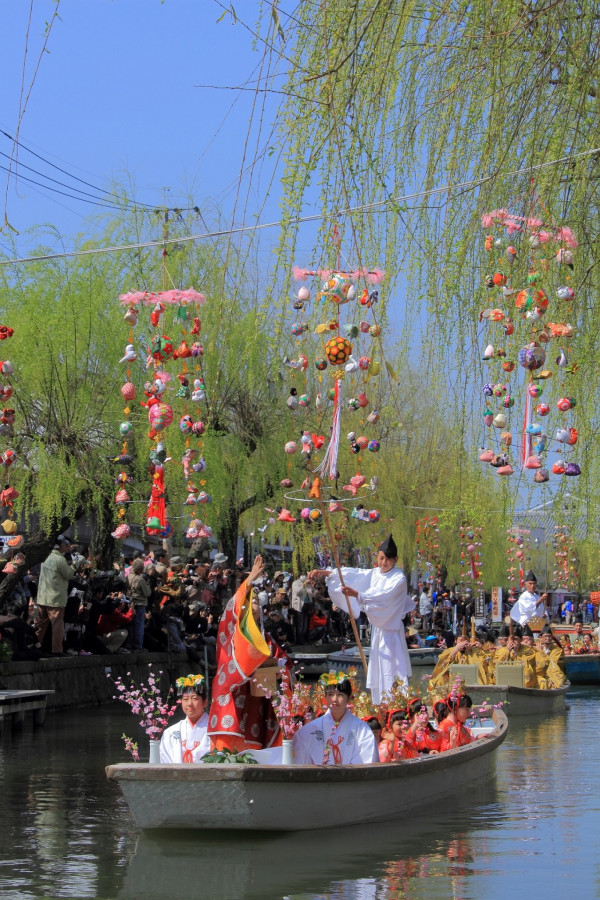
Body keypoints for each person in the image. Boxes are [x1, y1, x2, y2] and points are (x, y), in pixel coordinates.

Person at [309, 534, 415, 703]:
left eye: (387, 559)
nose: (383, 562)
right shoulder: (375, 573)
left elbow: (383, 597)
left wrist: (357, 595)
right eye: (381, 558)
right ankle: (380, 702)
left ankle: (397, 702)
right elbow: (355, 575)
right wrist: (325, 572)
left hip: (392, 631)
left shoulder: (398, 579)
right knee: (379, 668)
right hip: (378, 631)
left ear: (395, 559)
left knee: (392, 667)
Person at [208, 554, 282, 752]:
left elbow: (285, 665)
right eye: (249, 601)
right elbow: (231, 611)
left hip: (256, 700)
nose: (252, 605)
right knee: (227, 747)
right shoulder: (232, 633)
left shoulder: (267, 640)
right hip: (233, 692)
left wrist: (280, 674)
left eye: (256, 601)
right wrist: (247, 582)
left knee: (255, 745)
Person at [292, 672, 379, 765]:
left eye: (340, 695)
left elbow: (367, 758)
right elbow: (301, 759)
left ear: (349, 697)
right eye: (330, 694)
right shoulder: (310, 729)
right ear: (325, 696)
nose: (334, 699)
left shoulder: (362, 729)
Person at [35, 537, 76, 655]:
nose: (67, 547)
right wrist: (74, 566)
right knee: (57, 625)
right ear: (61, 545)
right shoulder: (60, 559)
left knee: (41, 625)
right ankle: (57, 650)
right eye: (66, 545)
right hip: (55, 598)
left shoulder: (45, 557)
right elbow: (68, 575)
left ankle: (34, 645)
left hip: (43, 597)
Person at [159, 674, 210, 763]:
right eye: (185, 699)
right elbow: (166, 762)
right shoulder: (170, 732)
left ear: (205, 702)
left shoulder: (215, 731)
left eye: (194, 698)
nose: (189, 703)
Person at [127, 557, 151, 650]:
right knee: (139, 626)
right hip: (140, 604)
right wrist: (148, 584)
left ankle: (130, 645)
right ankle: (138, 646)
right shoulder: (140, 580)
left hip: (131, 603)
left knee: (132, 625)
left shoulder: (128, 576)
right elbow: (147, 593)